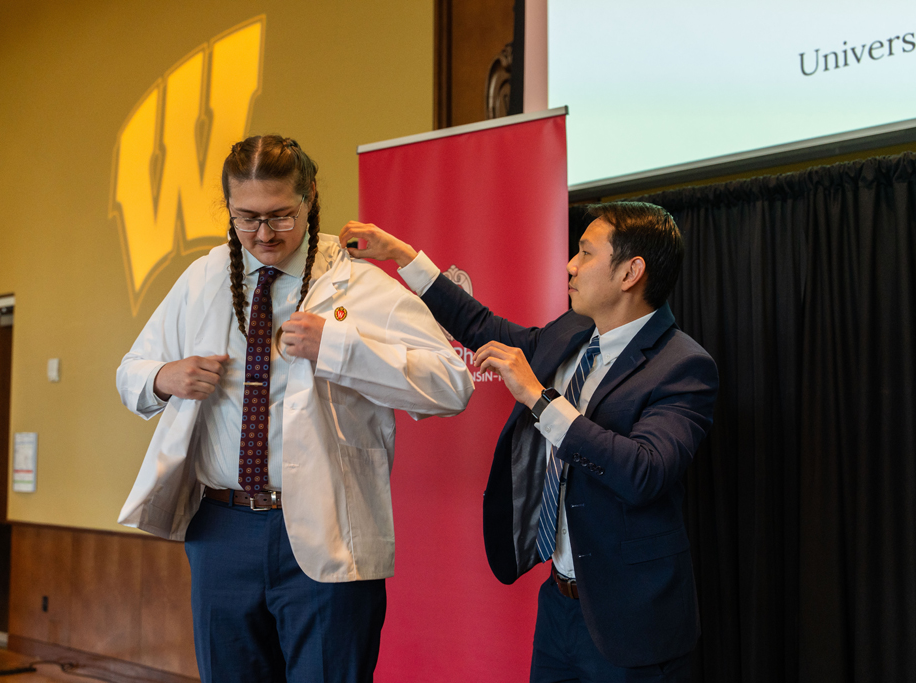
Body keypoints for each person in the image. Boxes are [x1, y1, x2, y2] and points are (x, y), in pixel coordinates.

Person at [115, 135, 473, 683]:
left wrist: (339, 347)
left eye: (281, 215)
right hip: (221, 529)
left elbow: (451, 383)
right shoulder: (204, 278)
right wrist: (165, 378)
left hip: (326, 524)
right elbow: (130, 372)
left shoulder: (358, 282)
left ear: (310, 197)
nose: (263, 234)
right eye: (246, 218)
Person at [340, 202, 718, 683]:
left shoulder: (684, 365)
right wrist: (400, 255)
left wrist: (541, 401)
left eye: (584, 252)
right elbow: (483, 328)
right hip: (558, 607)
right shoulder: (573, 331)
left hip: (630, 620)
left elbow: (644, 472)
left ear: (630, 272)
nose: (570, 265)